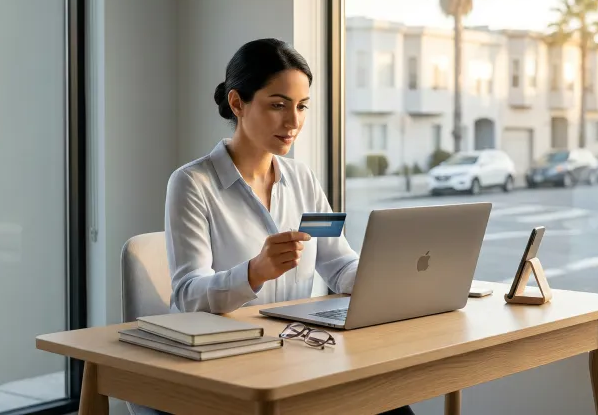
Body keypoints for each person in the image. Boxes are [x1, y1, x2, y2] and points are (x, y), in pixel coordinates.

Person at [127, 39, 415, 415]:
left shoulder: (302, 179)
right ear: (237, 103)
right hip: (223, 367)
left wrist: (388, 280)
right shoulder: (191, 184)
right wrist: (255, 271)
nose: (293, 121)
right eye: (278, 105)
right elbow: (187, 295)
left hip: (292, 357)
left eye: (301, 106)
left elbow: (339, 263)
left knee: (387, 400)